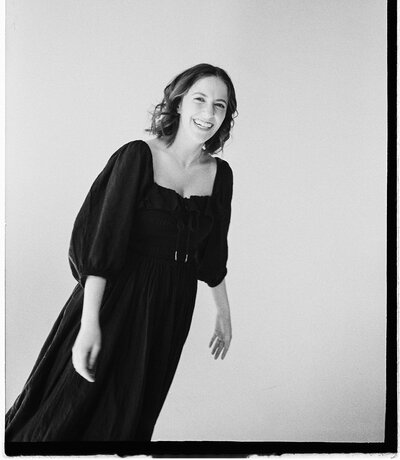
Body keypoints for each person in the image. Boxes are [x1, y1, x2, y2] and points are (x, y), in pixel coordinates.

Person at [5, 63, 237, 442]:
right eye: (200, 99)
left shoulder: (220, 175)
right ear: (179, 103)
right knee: (67, 410)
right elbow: (102, 242)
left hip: (172, 306)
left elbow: (213, 255)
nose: (208, 113)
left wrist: (224, 313)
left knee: (130, 417)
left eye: (220, 105)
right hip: (116, 297)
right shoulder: (137, 156)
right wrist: (89, 323)